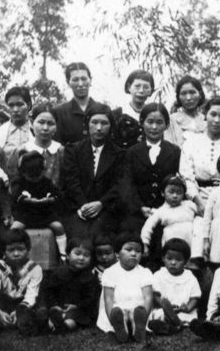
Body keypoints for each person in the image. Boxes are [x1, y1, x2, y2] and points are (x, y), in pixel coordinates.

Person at [179, 96, 220, 259]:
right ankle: (196, 263)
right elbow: (186, 177)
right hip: (197, 197)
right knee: (196, 225)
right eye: (213, 114)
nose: (216, 120)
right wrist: (197, 200)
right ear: (205, 114)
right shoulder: (191, 143)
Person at [123, 103, 181, 262]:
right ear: (142, 123)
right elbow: (128, 184)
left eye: (159, 122)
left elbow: (177, 182)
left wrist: (164, 207)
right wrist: (140, 207)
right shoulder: (131, 152)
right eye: (149, 122)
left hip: (167, 211)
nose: (154, 127)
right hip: (138, 212)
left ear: (166, 125)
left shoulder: (175, 151)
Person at [61, 107, 126, 240]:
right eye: (94, 122)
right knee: (78, 238)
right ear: (87, 124)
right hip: (77, 207)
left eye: (104, 123)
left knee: (100, 237)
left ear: (111, 126)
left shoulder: (119, 154)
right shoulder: (73, 150)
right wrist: (83, 205)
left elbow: (119, 185)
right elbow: (70, 181)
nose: (98, 128)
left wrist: (101, 204)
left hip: (106, 209)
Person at [0, 229, 45, 336]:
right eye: (11, 250)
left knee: (30, 318)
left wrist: (19, 311)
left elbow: (31, 295)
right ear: (4, 251)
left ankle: (25, 322)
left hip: (24, 304)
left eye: (21, 249)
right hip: (4, 303)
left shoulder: (35, 269)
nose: (16, 254)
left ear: (28, 249)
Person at [10, 150, 67, 261]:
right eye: (31, 177)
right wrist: (28, 200)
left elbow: (58, 195)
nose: (35, 179)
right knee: (15, 228)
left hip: (44, 214)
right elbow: (15, 197)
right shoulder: (19, 182)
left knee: (58, 227)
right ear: (23, 172)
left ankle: (63, 253)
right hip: (25, 214)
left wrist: (49, 199)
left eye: (38, 176)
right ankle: (10, 251)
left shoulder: (46, 182)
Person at [100, 235, 153, 343]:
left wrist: (145, 316)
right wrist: (111, 318)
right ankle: (120, 326)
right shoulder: (110, 272)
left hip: (138, 307)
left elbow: (148, 297)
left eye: (138, 251)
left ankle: (137, 327)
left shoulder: (145, 272)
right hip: (117, 307)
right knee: (118, 312)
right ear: (117, 254)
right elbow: (108, 299)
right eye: (128, 250)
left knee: (137, 312)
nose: (134, 254)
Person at [42, 238, 100, 333]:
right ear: (68, 255)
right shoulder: (58, 273)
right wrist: (54, 305)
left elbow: (91, 298)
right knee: (50, 314)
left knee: (72, 320)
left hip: (79, 310)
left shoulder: (91, 278)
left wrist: (77, 306)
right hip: (58, 307)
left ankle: (62, 327)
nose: (81, 258)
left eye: (86, 255)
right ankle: (52, 324)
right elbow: (49, 291)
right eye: (77, 254)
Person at [148, 238, 201, 335]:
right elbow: (155, 295)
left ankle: (173, 325)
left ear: (186, 261)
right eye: (169, 258)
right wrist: (164, 304)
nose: (173, 262)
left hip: (182, 310)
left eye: (178, 260)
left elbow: (195, 297)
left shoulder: (190, 277)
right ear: (163, 258)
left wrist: (188, 308)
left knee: (185, 316)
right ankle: (173, 323)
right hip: (164, 309)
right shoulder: (159, 275)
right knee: (160, 314)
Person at [53, 62, 111, 145]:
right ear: (68, 82)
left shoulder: (104, 110)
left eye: (84, 79)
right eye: (75, 80)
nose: (80, 84)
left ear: (90, 80)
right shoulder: (59, 113)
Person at [6, 104, 64, 187]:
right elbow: (13, 180)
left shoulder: (61, 151)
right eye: (41, 122)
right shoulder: (20, 151)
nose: (45, 128)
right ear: (32, 123)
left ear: (56, 127)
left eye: (50, 123)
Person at [140, 174, 197, 256]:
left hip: (190, 241)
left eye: (179, 192)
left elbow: (203, 216)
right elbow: (148, 226)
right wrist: (145, 244)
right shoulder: (160, 211)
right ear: (163, 193)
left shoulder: (190, 205)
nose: (175, 196)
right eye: (171, 192)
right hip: (171, 242)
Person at [112, 69, 155, 149]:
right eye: (137, 86)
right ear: (129, 87)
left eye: (146, 87)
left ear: (151, 90)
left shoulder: (154, 114)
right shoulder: (117, 114)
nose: (141, 91)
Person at [0, 86, 34, 156]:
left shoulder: (36, 130)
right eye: (11, 105)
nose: (15, 110)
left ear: (28, 105)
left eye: (19, 104)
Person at [165, 75, 207, 147]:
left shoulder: (206, 119)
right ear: (178, 97)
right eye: (183, 93)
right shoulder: (171, 120)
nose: (188, 98)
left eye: (192, 92)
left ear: (200, 94)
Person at [92, 232, 118, 336]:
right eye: (100, 254)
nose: (104, 257)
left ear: (115, 252)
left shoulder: (119, 268)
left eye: (108, 253)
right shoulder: (95, 271)